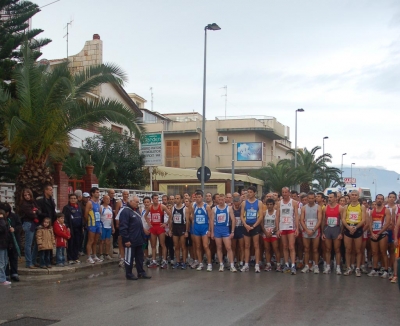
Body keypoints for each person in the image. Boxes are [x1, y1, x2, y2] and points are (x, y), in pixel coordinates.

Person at [119, 196, 151, 280]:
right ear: (131, 201)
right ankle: (129, 274)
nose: (138, 204)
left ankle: (141, 272)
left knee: (139, 257)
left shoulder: (136, 211)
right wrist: (126, 240)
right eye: (136, 202)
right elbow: (123, 227)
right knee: (129, 258)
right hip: (130, 240)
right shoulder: (125, 211)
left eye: (138, 202)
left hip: (139, 239)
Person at [341, 190, 366, 277]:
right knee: (348, 249)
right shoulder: (346, 206)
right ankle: (348, 268)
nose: (354, 196)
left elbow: (363, 220)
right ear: (350, 196)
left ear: (358, 196)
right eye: (352, 195)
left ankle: (358, 268)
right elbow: (343, 218)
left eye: (356, 195)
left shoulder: (362, 207)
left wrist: (355, 227)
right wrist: (348, 227)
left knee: (358, 250)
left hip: (357, 228)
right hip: (348, 228)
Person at [276, 187, 300, 275]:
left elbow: (296, 216)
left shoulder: (294, 202)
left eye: (286, 192)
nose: (284, 194)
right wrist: (277, 229)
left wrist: (297, 228)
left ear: (289, 193)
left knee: (291, 246)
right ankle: (286, 264)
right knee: (285, 246)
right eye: (283, 192)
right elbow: (277, 216)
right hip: (282, 227)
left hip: (291, 227)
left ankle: (293, 265)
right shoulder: (279, 203)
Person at [144, 194, 171, 269]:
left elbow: (170, 214)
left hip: (160, 228)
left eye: (157, 198)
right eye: (155, 198)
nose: (156, 199)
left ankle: (164, 260)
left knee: (162, 244)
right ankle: (154, 261)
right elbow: (145, 216)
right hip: (153, 228)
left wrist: (166, 223)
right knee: (153, 245)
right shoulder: (150, 207)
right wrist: (149, 224)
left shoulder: (162, 206)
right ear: (152, 199)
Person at [211, 194, 236, 272]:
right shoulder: (214, 209)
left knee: (228, 247)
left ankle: (232, 265)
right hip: (217, 229)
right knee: (219, 247)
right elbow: (211, 221)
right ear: (217, 200)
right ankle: (221, 264)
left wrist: (232, 231)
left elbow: (233, 219)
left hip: (225, 229)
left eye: (222, 199)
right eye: (219, 200)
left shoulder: (229, 208)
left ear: (225, 199)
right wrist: (212, 232)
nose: (220, 201)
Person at [240, 186, 263, 273]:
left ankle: (257, 264)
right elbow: (242, 216)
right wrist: (246, 225)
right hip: (246, 225)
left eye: (250, 192)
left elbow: (260, 216)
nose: (248, 194)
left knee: (256, 245)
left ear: (254, 193)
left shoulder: (259, 203)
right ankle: (246, 264)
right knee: (247, 245)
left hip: (255, 225)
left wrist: (253, 226)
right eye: (247, 192)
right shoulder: (244, 203)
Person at [368, 194, 391, 278]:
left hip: (382, 234)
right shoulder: (372, 211)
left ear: (383, 200)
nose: (379, 200)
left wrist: (379, 233)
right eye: (378, 199)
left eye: (381, 199)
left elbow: (387, 223)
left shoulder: (386, 210)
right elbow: (370, 223)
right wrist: (372, 233)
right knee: (374, 252)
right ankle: (375, 269)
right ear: (376, 199)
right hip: (374, 233)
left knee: (383, 252)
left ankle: (386, 270)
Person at [190, 190, 213, 271]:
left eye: (199, 197)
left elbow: (210, 219)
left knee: (205, 246)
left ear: (202, 198)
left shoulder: (206, 207)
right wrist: (193, 229)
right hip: (196, 228)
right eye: (196, 197)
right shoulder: (194, 207)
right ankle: (200, 263)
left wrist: (210, 230)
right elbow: (193, 218)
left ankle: (209, 264)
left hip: (204, 228)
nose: (198, 199)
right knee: (198, 246)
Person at [300, 192, 322, 274]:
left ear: (315, 198)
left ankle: (315, 265)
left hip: (315, 231)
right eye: (309, 198)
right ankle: (306, 265)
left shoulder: (318, 207)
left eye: (312, 198)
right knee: (306, 249)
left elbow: (319, 220)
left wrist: (313, 230)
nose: (311, 200)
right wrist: (306, 230)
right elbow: (301, 220)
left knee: (315, 249)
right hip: (306, 231)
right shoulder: (304, 208)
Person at [321, 192, 343, 275]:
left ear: (335, 198)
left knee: (337, 249)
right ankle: (328, 267)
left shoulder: (340, 208)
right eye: (328, 197)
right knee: (327, 249)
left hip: (336, 229)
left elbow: (342, 221)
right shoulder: (325, 208)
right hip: (328, 229)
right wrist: (323, 232)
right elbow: (323, 220)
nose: (329, 199)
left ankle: (338, 267)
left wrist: (341, 232)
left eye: (331, 197)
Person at [0, 202, 22, 282]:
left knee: (13, 257)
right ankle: (5, 274)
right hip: (5, 241)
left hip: (13, 240)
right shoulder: (2, 218)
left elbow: (20, 226)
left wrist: (14, 229)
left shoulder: (15, 216)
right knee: (4, 259)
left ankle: (14, 273)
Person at [19, 188, 40, 269]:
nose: (27, 196)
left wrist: (36, 211)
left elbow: (39, 211)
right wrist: (34, 212)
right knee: (28, 244)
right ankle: (29, 262)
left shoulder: (33, 202)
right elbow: (31, 214)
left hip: (35, 223)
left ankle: (33, 260)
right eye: (25, 195)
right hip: (28, 224)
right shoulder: (24, 204)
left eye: (28, 195)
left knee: (37, 243)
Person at [169, 194, 190, 270]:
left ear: (181, 199)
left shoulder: (185, 209)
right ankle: (178, 261)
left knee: (183, 246)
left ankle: (184, 262)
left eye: (178, 198)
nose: (176, 200)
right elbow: (171, 220)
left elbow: (187, 221)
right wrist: (170, 230)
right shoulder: (173, 208)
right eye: (175, 198)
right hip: (175, 227)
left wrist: (187, 231)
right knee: (176, 246)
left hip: (182, 228)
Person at [62, 194, 83, 264]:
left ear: (77, 199)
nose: (73, 200)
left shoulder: (79, 207)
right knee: (71, 243)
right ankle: (70, 258)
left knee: (77, 243)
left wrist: (82, 226)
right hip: (71, 228)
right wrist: (67, 227)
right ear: (69, 199)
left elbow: (81, 217)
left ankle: (75, 257)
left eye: (74, 198)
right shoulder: (66, 208)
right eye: (71, 198)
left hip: (78, 228)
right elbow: (64, 219)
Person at [84, 187, 103, 264]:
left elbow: (99, 213)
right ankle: (88, 256)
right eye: (96, 192)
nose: (98, 193)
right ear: (92, 193)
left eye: (98, 192)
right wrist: (88, 223)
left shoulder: (98, 203)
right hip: (92, 224)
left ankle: (94, 255)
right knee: (90, 240)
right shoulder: (90, 203)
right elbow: (86, 214)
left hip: (98, 223)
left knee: (95, 241)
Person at [261, 198, 280, 272]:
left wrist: (272, 232)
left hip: (274, 233)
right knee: (267, 249)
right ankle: (268, 264)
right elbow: (262, 224)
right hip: (266, 233)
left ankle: (278, 265)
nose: (269, 206)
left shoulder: (276, 213)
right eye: (268, 204)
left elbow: (277, 224)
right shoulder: (264, 213)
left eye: (271, 204)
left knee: (276, 249)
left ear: (273, 205)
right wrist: (265, 232)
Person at [115, 190, 129, 267]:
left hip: (129, 225)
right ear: (122, 195)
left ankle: (128, 258)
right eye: (124, 194)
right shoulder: (119, 202)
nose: (126, 195)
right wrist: (117, 223)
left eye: (127, 194)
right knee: (121, 240)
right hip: (122, 224)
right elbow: (116, 212)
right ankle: (122, 258)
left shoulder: (130, 202)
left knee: (129, 241)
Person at [99, 195, 115, 260]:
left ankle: (107, 254)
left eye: (109, 199)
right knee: (102, 241)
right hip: (103, 226)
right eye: (106, 199)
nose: (108, 200)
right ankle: (101, 254)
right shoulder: (101, 207)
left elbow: (111, 218)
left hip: (109, 226)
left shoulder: (110, 208)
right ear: (103, 200)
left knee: (108, 241)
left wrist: (113, 227)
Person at [0, 209, 13, 285]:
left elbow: (7, 235)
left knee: (5, 262)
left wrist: (10, 243)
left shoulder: (5, 222)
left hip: (4, 245)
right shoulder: (2, 223)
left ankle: (3, 277)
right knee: (1, 263)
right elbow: (2, 230)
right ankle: (1, 279)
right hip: (0, 245)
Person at [231, 195, 245, 269]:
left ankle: (241, 262)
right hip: (234, 229)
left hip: (241, 229)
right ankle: (233, 262)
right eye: (235, 205)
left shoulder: (242, 208)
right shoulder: (231, 209)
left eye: (238, 205)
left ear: (240, 203)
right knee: (233, 247)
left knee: (241, 247)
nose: (236, 206)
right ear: (233, 203)